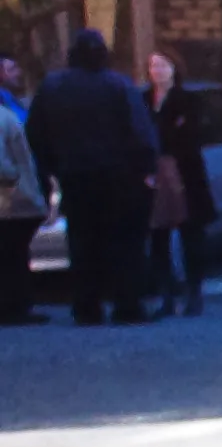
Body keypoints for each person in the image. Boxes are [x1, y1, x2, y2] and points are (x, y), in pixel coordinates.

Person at [27, 28, 161, 328]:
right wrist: (146, 171)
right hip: (119, 177)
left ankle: (87, 307)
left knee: (82, 242)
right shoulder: (118, 86)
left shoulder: (52, 88)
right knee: (123, 242)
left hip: (75, 176)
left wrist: (50, 170)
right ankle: (127, 304)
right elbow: (142, 134)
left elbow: (36, 135)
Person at [143, 51, 216, 317]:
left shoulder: (188, 100)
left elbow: (188, 134)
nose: (157, 71)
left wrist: (170, 132)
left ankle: (194, 292)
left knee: (191, 235)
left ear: (174, 68)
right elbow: (141, 134)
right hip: (153, 173)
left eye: (163, 65)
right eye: (153, 66)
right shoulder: (143, 100)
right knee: (158, 236)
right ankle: (166, 295)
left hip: (184, 172)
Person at [0, 55, 44, 327]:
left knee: (14, 253)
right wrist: (13, 177)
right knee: (12, 254)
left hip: (13, 195)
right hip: (10, 197)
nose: (18, 72)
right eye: (11, 68)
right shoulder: (5, 110)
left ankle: (16, 306)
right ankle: (14, 307)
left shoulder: (12, 105)